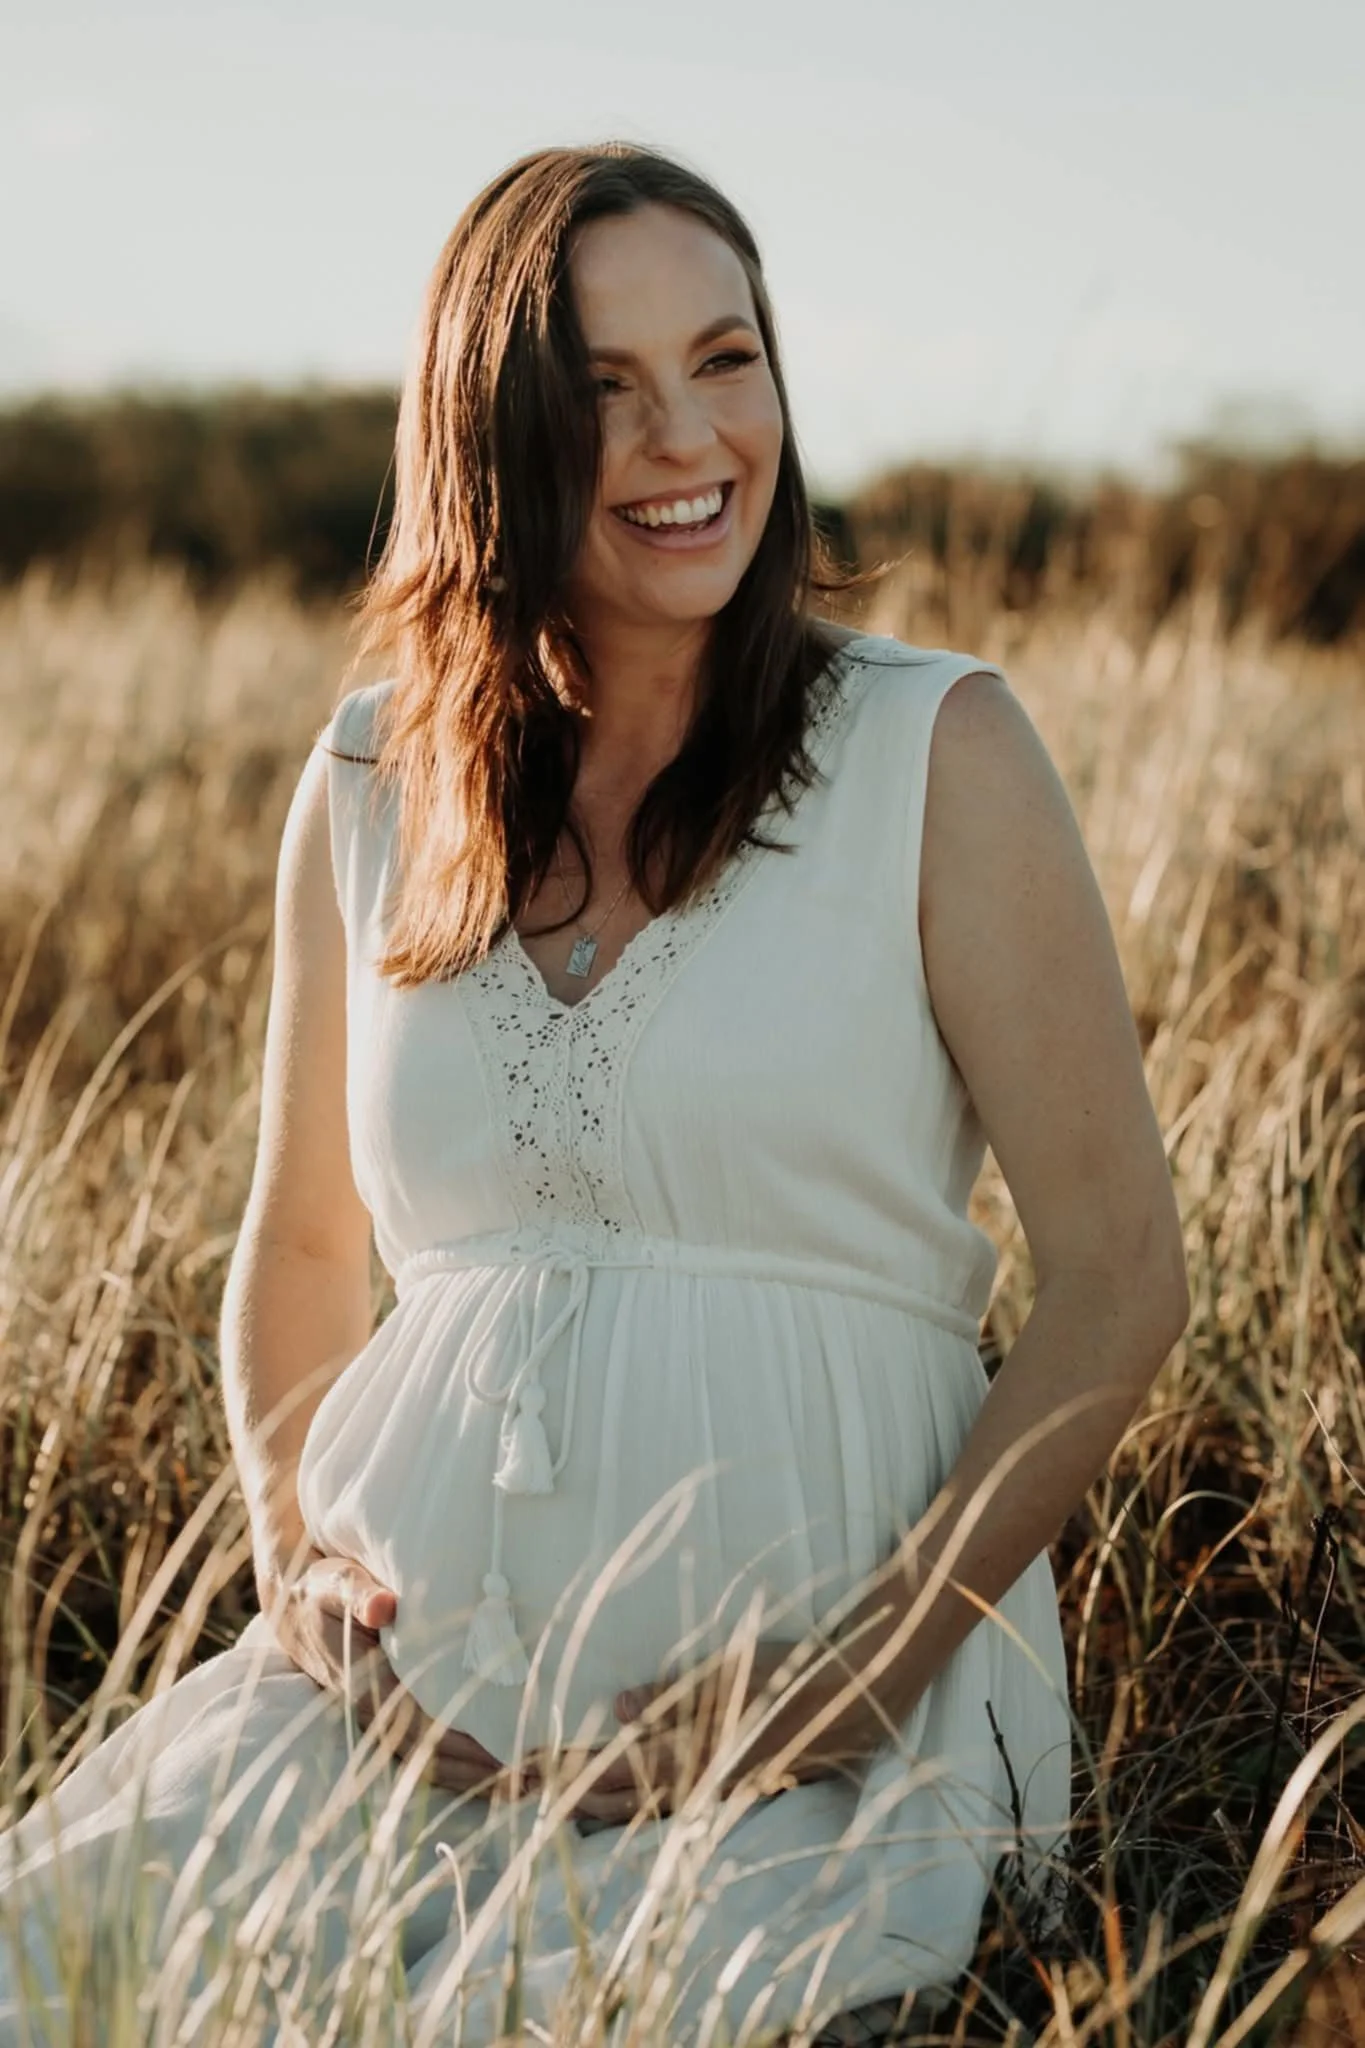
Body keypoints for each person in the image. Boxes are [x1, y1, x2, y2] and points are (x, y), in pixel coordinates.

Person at [0, 143, 1190, 2045]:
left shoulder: (935, 749)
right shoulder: (371, 781)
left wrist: (849, 1685)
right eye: (602, 388)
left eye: (725, 360)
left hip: (807, 1725)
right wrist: (293, 1556)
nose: (683, 438)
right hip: (389, 1716)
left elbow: (1123, 1279)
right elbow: (299, 1243)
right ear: (486, 434)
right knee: (71, 1983)